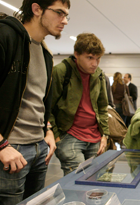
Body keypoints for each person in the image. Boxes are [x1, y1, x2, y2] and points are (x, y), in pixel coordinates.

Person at [0, 0, 70, 204]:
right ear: (37, 9)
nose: (64, 21)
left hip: (39, 149)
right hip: (11, 149)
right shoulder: (6, 36)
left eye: (67, 15)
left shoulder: (46, 53)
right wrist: (2, 145)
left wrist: (47, 130)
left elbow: (39, 101)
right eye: (59, 13)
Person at [49, 33, 109, 176]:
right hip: (69, 137)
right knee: (78, 183)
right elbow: (47, 107)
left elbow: (102, 107)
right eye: (89, 58)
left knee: (96, 181)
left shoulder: (99, 74)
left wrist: (105, 135)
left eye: (98, 58)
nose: (94, 63)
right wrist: (57, 137)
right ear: (76, 54)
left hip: (94, 138)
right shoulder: (61, 71)